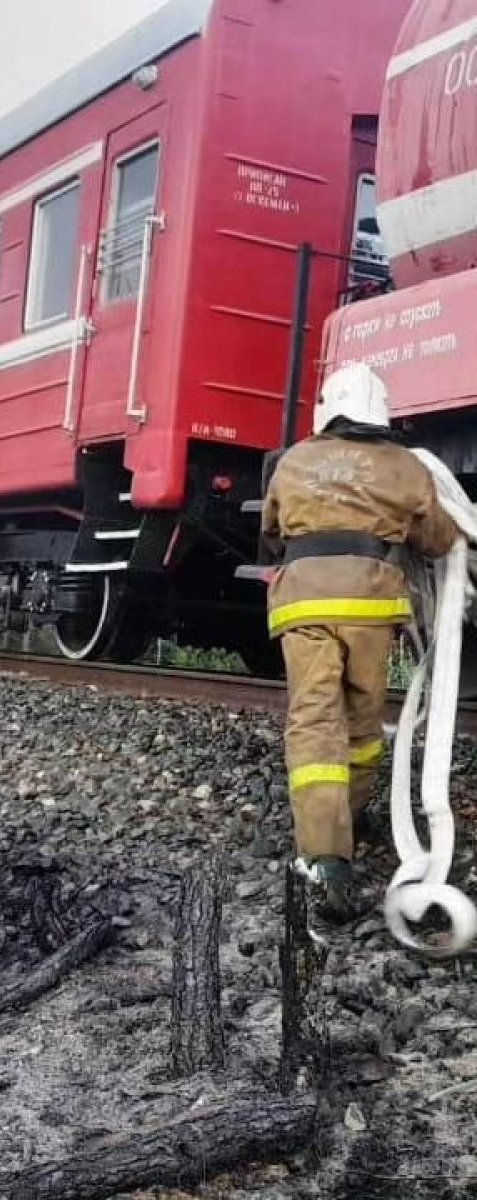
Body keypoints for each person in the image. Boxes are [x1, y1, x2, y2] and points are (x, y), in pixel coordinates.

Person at [261, 362, 458, 919]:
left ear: (328, 407)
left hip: (304, 605)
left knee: (315, 718)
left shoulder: (294, 460)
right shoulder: (403, 465)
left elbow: (271, 534)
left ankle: (325, 856)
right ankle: (357, 809)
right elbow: (438, 540)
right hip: (372, 605)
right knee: (365, 716)